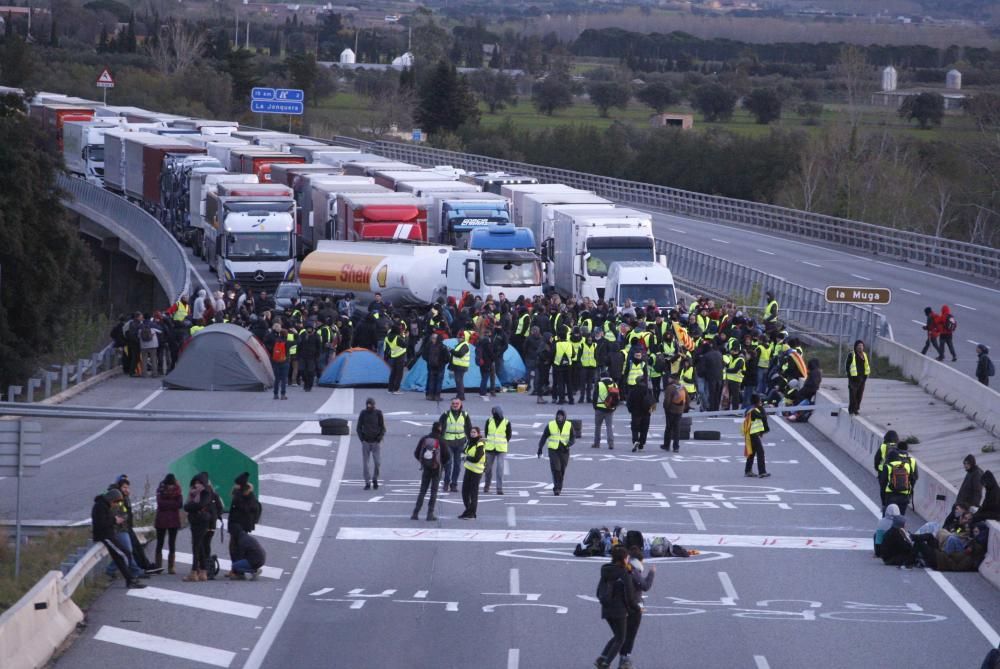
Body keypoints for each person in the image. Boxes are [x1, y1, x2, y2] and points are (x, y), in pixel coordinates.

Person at [594, 545, 640, 669]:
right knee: (621, 638)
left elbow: (598, 591)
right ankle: (605, 663)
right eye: (627, 557)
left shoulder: (605, 570)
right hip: (619, 611)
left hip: (606, 609)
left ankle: (602, 658)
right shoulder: (624, 573)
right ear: (623, 559)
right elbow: (630, 597)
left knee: (618, 636)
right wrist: (637, 608)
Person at [92, 488, 145, 589]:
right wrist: (115, 520)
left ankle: (130, 580)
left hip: (109, 535)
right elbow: (101, 523)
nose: (116, 504)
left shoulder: (103, 505)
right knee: (125, 554)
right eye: (116, 502)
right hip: (105, 536)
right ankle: (131, 578)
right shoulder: (100, 507)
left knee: (120, 557)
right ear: (111, 499)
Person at [620, 546, 655, 669]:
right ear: (640, 560)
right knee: (630, 634)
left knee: (623, 634)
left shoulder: (626, 568)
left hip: (623, 605)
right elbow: (645, 586)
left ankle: (621, 659)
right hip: (633, 606)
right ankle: (624, 659)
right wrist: (652, 573)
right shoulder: (634, 570)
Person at [183, 473, 220, 583]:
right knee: (200, 547)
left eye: (199, 482)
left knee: (196, 546)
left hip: (201, 521)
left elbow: (196, 505)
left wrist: (189, 507)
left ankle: (194, 572)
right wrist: (189, 506)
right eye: (195, 483)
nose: (196, 485)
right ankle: (203, 572)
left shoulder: (206, 492)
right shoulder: (196, 493)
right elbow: (188, 505)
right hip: (196, 521)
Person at [411, 423, 450, 521]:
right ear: (440, 429)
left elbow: (417, 453)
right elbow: (447, 456)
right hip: (437, 469)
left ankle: (415, 513)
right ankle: (430, 514)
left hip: (426, 468)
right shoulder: (442, 441)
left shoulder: (425, 439)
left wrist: (424, 463)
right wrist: (440, 463)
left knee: (422, 490)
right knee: (434, 491)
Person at [227, 471, 261, 576]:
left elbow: (246, 509)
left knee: (236, 547)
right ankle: (236, 569)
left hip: (240, 526)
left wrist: (239, 497)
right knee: (234, 547)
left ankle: (237, 570)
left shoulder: (246, 497)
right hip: (236, 525)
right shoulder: (241, 495)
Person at [537, 409, 575, 495]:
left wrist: (568, 444)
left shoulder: (569, 425)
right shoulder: (551, 425)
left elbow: (573, 438)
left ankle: (559, 486)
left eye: (561, 416)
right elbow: (544, 437)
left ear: (564, 417)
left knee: (562, 470)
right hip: (553, 450)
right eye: (558, 416)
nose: (559, 417)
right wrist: (540, 448)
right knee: (556, 469)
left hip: (564, 450)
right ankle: (556, 488)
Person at [440, 398, 472, 493]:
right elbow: (439, 427)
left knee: (457, 465)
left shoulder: (465, 415)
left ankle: (454, 484)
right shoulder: (446, 414)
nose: (455, 405)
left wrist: (471, 442)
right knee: (448, 464)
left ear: (460, 404)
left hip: (460, 442)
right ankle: (446, 483)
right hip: (448, 441)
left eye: (457, 403)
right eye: (453, 403)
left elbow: (469, 428)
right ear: (451, 405)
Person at [154, 473, 183, 574]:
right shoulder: (176, 491)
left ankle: (170, 566)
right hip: (168, 519)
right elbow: (161, 503)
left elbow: (180, 504)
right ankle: (159, 566)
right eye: (169, 484)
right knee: (160, 542)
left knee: (171, 543)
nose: (170, 487)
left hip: (165, 518)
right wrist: (172, 504)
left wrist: (167, 504)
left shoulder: (163, 491)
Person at [880, 442, 918, 515]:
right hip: (904, 495)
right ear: (907, 450)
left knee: (887, 520)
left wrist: (883, 502)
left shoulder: (889, 464)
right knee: (900, 519)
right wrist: (909, 494)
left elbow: (883, 484)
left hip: (890, 495)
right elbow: (914, 479)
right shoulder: (911, 462)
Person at [357, 397, 386, 490]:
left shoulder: (378, 413)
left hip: (376, 442)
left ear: (374, 405)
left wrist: (379, 438)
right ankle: (367, 482)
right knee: (366, 464)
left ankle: (375, 478)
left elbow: (383, 427)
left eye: (371, 405)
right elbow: (358, 427)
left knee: (377, 462)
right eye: (368, 405)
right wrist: (362, 439)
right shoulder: (363, 413)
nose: (369, 407)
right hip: (366, 441)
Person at [482, 407, 511, 495]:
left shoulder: (506, 422)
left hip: (501, 448)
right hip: (490, 448)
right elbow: (487, 433)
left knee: (500, 469)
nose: (495, 415)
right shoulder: (489, 421)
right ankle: (487, 485)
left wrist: (503, 442)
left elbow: (509, 435)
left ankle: (499, 488)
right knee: (487, 468)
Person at [460, 427, 487, 519]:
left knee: (473, 493)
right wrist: (463, 455)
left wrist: (466, 457)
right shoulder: (469, 442)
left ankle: (471, 513)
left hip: (477, 471)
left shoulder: (480, 444)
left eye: (474, 432)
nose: (472, 434)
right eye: (471, 432)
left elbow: (476, 459)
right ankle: (469, 510)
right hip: (468, 469)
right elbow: (463, 452)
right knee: (464, 492)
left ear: (478, 433)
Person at [742, 393, 770, 478]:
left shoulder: (750, 409)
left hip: (751, 433)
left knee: (752, 452)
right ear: (758, 401)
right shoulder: (755, 410)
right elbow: (763, 418)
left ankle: (748, 470)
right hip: (752, 433)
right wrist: (762, 409)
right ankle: (762, 472)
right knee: (760, 452)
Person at [626, 376, 655, 452]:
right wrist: (651, 410)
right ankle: (641, 444)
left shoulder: (633, 390)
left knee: (635, 428)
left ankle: (635, 441)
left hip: (636, 413)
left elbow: (629, 402)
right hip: (646, 413)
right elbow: (652, 401)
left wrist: (631, 410)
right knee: (644, 429)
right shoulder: (648, 390)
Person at [873, 430, 899, 508]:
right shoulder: (898, 446)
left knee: (883, 489)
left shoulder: (883, 446)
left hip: (883, 471)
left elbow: (877, 459)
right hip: (896, 471)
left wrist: (877, 468)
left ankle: (884, 505)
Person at [592, 376, 618, 450]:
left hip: (599, 408)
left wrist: (595, 406)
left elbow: (595, 396)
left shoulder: (599, 384)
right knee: (609, 426)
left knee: (598, 426)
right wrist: (614, 407)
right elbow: (617, 398)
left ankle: (597, 443)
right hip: (610, 409)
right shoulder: (614, 384)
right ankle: (611, 443)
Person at [662, 375, 686, 453]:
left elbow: (667, 400)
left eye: (669, 378)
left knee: (668, 428)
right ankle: (676, 447)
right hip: (679, 411)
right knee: (677, 428)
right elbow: (687, 399)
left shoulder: (670, 388)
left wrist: (666, 408)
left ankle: (666, 445)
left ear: (672, 379)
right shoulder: (682, 387)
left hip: (671, 410)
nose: (668, 379)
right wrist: (683, 408)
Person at [264, 323, 289, 400]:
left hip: (274, 359)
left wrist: (271, 351)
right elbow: (297, 341)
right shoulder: (285, 340)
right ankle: (283, 394)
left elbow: (266, 344)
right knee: (284, 378)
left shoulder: (271, 337)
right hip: (284, 360)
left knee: (277, 378)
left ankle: (275, 394)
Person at [846, 339, 869, 415]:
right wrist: (850, 377)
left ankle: (856, 409)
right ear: (855, 347)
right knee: (853, 395)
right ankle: (851, 410)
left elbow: (866, 366)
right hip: (853, 380)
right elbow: (848, 366)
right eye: (859, 346)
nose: (860, 347)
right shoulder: (852, 355)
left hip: (862, 379)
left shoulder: (864, 355)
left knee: (859, 395)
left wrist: (865, 377)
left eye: (861, 346)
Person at [423, 333, 449, 401]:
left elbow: (424, 355)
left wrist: (428, 361)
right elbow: (447, 358)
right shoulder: (443, 346)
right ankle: (437, 396)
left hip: (431, 366)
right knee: (439, 381)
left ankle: (430, 395)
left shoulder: (429, 346)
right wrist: (443, 363)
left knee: (431, 380)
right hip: (440, 366)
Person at [297, 322, 322, 391]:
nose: (309, 330)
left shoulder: (316, 336)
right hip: (302, 356)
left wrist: (317, 355)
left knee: (310, 372)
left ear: (312, 329)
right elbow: (299, 345)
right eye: (308, 328)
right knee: (302, 370)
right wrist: (298, 354)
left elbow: (319, 347)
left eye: (310, 328)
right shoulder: (303, 335)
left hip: (312, 357)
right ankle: (305, 382)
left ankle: (309, 385)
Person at [385, 322, 408, 394]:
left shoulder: (387, 338)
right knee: (399, 374)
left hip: (393, 355)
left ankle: (390, 389)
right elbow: (405, 345)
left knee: (393, 373)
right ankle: (396, 389)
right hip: (400, 356)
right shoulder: (397, 338)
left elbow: (386, 348)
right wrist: (406, 337)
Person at [450, 330, 471, 400]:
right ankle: (459, 395)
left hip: (461, 366)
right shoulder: (462, 344)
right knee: (458, 381)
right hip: (459, 366)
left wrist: (451, 350)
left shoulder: (464, 345)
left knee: (459, 381)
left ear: (463, 338)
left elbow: (460, 354)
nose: (458, 339)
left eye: (459, 338)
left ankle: (461, 396)